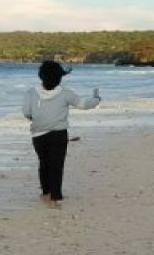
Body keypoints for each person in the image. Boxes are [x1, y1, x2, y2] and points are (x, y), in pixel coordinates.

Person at [22, 61, 101, 208]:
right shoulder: (65, 93)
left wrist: (38, 118)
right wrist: (96, 99)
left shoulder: (30, 93)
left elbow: (26, 112)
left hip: (38, 134)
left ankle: (45, 192)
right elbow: (83, 104)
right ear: (60, 77)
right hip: (59, 134)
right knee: (57, 165)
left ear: (41, 76)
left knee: (44, 163)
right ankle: (55, 196)